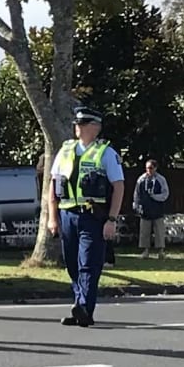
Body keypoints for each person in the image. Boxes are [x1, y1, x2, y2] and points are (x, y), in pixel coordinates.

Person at [47, 106, 125, 327]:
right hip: (68, 214)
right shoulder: (65, 151)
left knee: (88, 264)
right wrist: (52, 218)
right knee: (72, 264)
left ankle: (84, 308)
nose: (77, 128)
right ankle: (80, 304)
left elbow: (118, 187)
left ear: (95, 128)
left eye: (82, 124)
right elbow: (53, 186)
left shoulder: (106, 153)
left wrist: (111, 220)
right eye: (76, 124)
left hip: (93, 216)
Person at [134, 159, 170, 259]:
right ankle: (145, 251)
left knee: (159, 231)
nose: (148, 170)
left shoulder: (161, 179)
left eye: (150, 168)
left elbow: (165, 194)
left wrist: (154, 196)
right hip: (145, 209)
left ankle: (161, 251)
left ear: (155, 168)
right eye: (147, 168)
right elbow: (136, 193)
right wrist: (136, 205)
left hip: (157, 209)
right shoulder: (141, 179)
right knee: (144, 231)